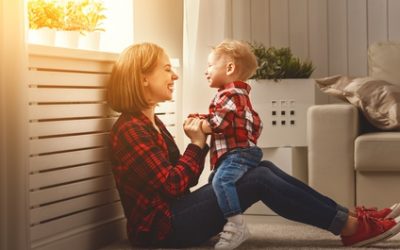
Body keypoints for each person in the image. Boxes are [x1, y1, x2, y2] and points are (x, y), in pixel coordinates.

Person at [107, 42, 400, 250]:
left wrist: (198, 144)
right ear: (143, 78)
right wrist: (197, 145)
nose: (175, 76)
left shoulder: (153, 123)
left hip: (176, 213)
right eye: (167, 69)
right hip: (163, 229)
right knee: (258, 177)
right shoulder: (130, 130)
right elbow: (173, 185)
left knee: (262, 167)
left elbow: (183, 181)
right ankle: (348, 228)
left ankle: (348, 217)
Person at [189, 40, 263, 249]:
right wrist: (201, 117)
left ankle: (237, 224)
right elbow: (226, 118)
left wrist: (199, 127)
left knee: (221, 182)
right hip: (237, 152)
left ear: (230, 68)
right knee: (217, 182)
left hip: (237, 153)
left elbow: (219, 122)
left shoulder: (231, 94)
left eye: (210, 66)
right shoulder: (234, 95)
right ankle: (224, 221)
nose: (206, 71)